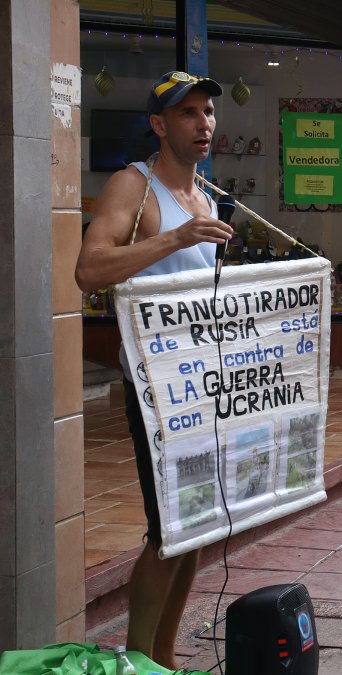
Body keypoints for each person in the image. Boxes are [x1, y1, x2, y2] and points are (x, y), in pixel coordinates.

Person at [74, 71, 232, 669]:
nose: (204, 123)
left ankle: (163, 659)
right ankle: (140, 661)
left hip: (208, 383)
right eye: (189, 114)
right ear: (159, 126)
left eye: (209, 112)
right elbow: (90, 270)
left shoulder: (210, 196)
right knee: (168, 530)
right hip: (156, 386)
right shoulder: (131, 186)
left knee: (198, 527)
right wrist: (176, 238)